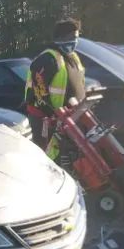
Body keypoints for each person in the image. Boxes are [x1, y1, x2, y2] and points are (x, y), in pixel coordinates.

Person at [25, 18, 86, 160]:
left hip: (69, 117)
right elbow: (40, 92)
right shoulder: (47, 58)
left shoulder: (72, 57)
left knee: (68, 156)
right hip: (46, 119)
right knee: (47, 156)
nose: (75, 41)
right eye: (73, 37)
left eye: (77, 38)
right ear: (62, 37)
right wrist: (52, 115)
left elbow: (79, 83)